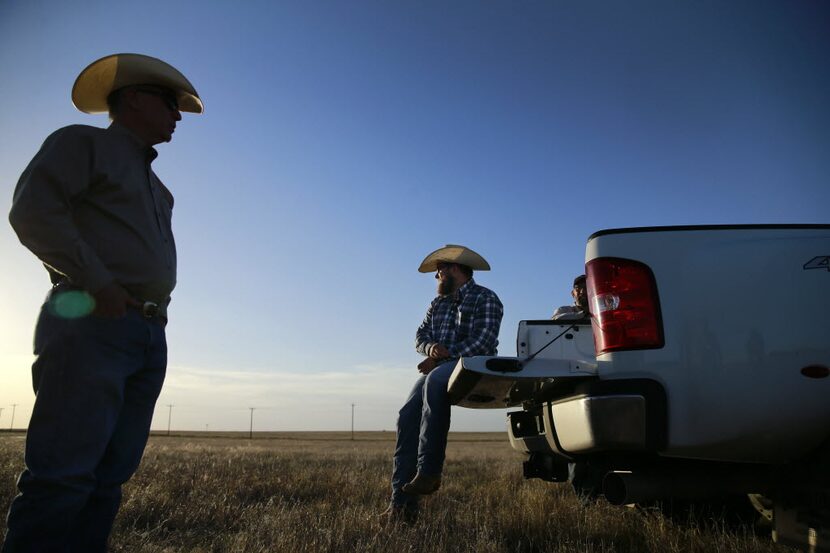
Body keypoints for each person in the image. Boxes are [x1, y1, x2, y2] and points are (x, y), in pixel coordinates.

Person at [3, 53, 203, 552]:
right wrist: (99, 284)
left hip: (147, 334)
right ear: (132, 97)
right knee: (63, 477)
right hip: (91, 321)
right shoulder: (81, 143)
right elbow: (34, 212)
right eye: (168, 103)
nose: (177, 116)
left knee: (107, 480)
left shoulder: (161, 190)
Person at [383, 244, 504, 523]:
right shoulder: (437, 304)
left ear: (454, 269)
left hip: (472, 366)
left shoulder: (486, 298)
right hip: (438, 367)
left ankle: (429, 470)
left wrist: (439, 360)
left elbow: (482, 342)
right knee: (407, 416)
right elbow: (419, 336)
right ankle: (400, 507)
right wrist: (431, 348)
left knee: (434, 380)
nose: (436, 276)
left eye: (439, 270)